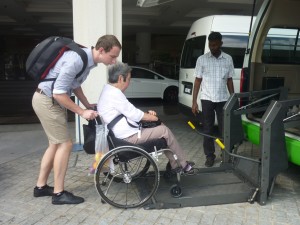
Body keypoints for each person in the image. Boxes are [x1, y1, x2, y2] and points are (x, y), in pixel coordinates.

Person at [32, 35, 121, 205]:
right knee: (65, 144)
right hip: (48, 101)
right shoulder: (77, 59)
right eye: (113, 56)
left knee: (55, 144)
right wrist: (82, 112)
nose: (114, 60)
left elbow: (74, 85)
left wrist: (88, 105)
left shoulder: (87, 61)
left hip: (48, 100)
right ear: (101, 50)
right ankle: (58, 194)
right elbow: (59, 93)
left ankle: (41, 187)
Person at [97, 62, 194, 173]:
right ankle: (181, 164)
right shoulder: (115, 94)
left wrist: (147, 114)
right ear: (120, 78)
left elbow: (130, 112)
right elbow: (134, 114)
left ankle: (174, 162)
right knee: (164, 130)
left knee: (160, 127)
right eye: (128, 79)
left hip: (121, 134)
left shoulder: (108, 90)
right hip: (128, 137)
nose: (129, 83)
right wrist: (153, 118)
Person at [192, 32, 234, 167]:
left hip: (223, 99)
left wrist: (233, 98)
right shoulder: (202, 60)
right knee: (207, 129)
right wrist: (194, 102)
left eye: (215, 45)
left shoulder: (228, 59)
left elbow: (229, 80)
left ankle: (226, 154)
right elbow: (197, 81)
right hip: (207, 99)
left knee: (225, 129)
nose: (212, 47)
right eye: (210, 45)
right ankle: (209, 156)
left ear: (221, 43)